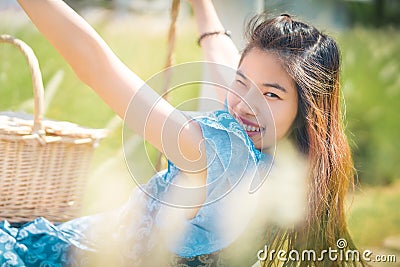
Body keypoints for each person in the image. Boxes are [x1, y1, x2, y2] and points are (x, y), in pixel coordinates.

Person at [0, 0, 365, 266]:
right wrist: (202, 6)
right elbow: (223, 57)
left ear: (306, 108)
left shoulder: (221, 155)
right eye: (242, 84)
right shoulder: (289, 165)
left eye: (270, 94)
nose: (244, 103)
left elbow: (99, 67)